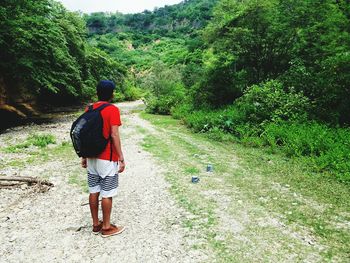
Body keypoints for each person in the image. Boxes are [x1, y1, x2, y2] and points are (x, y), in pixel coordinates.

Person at [81, 80, 126, 237]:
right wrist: (121, 157)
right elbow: (114, 134)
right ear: (112, 93)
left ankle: (95, 224)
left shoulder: (89, 108)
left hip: (91, 156)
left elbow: (85, 134)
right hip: (106, 157)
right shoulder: (112, 109)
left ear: (97, 93)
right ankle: (106, 228)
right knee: (107, 193)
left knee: (94, 191)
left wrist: (84, 156)